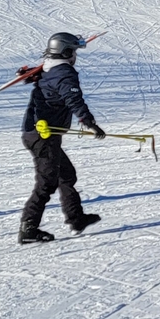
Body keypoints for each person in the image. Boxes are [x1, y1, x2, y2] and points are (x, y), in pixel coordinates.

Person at [19, 31, 107, 243]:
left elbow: (50, 85)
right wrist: (89, 122)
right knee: (47, 183)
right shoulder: (64, 73)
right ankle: (29, 229)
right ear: (66, 52)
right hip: (43, 136)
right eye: (74, 51)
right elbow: (73, 99)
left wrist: (30, 73)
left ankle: (76, 218)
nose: (75, 56)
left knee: (66, 175)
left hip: (40, 133)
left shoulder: (47, 69)